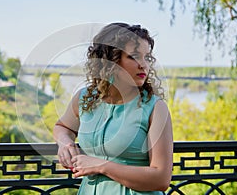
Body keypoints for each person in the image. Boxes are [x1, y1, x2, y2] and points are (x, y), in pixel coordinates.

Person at [53, 22, 173, 195]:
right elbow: (62, 127)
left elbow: (161, 178)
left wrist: (101, 166)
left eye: (147, 57)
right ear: (110, 60)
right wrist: (65, 143)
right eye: (133, 56)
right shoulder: (85, 98)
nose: (143, 65)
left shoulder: (155, 108)